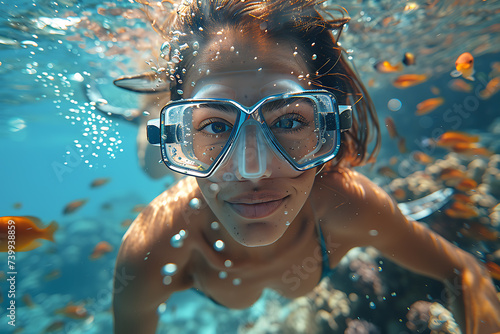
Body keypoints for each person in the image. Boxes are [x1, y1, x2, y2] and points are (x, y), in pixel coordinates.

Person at [112, 0, 500, 333]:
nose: (253, 171)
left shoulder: (350, 204)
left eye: (289, 121)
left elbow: (464, 272)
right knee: (152, 161)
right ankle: (152, 115)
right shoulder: (153, 244)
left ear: (327, 125)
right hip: (162, 146)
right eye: (214, 125)